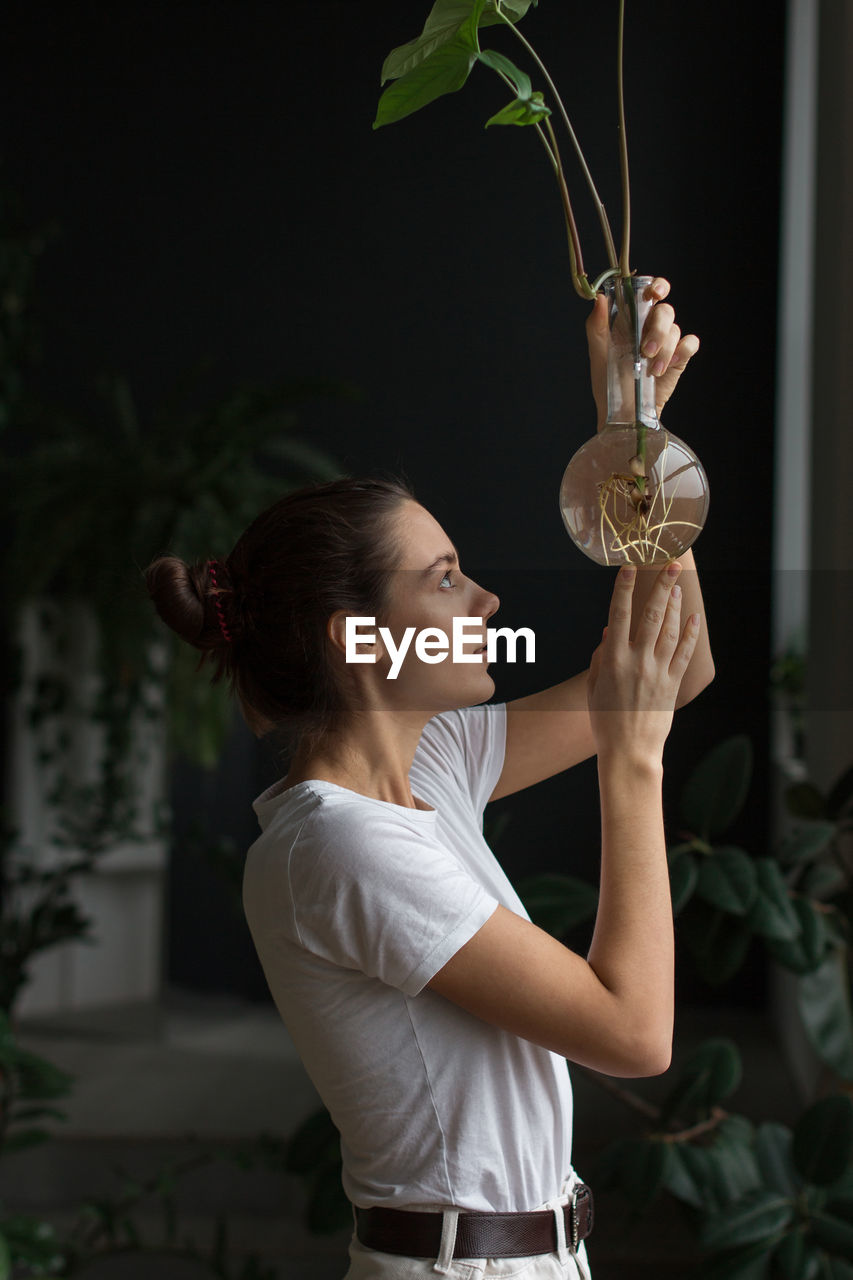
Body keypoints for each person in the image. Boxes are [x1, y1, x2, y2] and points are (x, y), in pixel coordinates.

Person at [145, 278, 713, 1280]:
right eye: (444, 576)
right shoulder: (337, 845)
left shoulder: (430, 765)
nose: (488, 597)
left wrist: (630, 429)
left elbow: (681, 664)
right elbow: (633, 1032)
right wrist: (633, 761)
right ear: (354, 636)